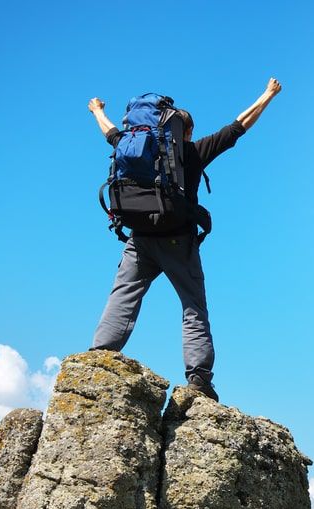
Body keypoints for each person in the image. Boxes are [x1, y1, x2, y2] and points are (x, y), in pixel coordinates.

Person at [87, 78, 282, 401]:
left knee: (123, 296)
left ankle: (99, 356)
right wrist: (268, 94)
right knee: (193, 307)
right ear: (183, 133)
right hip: (178, 240)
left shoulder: (132, 146)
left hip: (139, 238)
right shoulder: (192, 153)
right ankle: (199, 379)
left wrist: (97, 110)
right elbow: (239, 126)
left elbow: (108, 132)